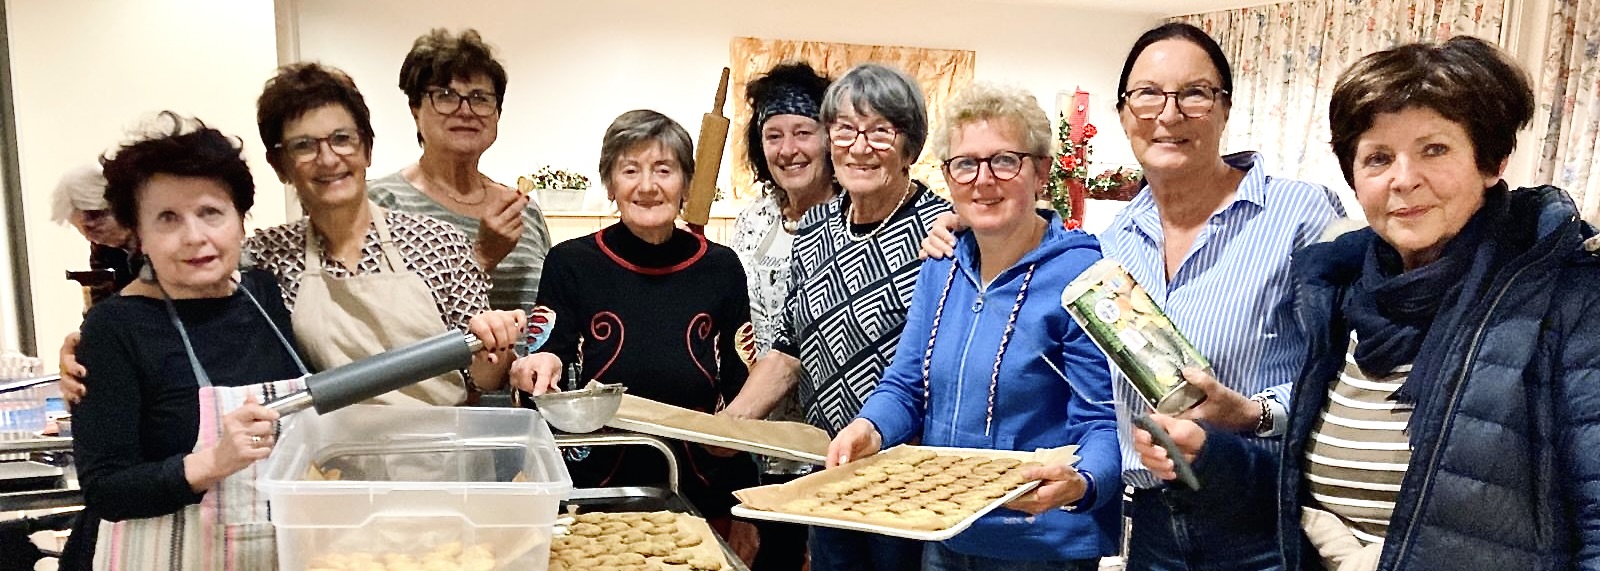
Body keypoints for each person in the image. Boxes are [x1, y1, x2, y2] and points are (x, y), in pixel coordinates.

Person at [1135, 36, 1600, 571]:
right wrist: (1212, 457)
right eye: (1378, 157)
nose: (1404, 179)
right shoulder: (1341, 295)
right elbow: (1308, 497)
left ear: (1490, 161)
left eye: (1434, 149)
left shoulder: (1568, 299)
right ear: (1354, 178)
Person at [921, 23, 1345, 570]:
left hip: (1259, 520)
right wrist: (973, 223)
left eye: (1193, 93)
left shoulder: (1302, 216)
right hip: (1149, 524)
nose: (1168, 114)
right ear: (1124, 114)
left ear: (1224, 107)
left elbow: (1343, 372)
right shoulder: (1111, 242)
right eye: (1147, 95)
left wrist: (1252, 412)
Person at [57, 63, 525, 408]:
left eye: (342, 139)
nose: (328, 159)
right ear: (280, 165)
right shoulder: (261, 258)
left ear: (365, 148)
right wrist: (90, 344)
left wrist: (497, 350)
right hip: (329, 477)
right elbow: (176, 290)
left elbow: (483, 379)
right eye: (304, 145)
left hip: (442, 462)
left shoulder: (438, 242)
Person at [829, 82, 1121, 571]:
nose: (983, 180)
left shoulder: (1085, 277)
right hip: (947, 533)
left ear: (1040, 171)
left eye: (1004, 160)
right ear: (948, 177)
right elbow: (906, 387)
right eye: (965, 164)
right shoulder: (940, 267)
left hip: (1041, 544)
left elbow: (1105, 421)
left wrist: (1084, 482)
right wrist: (870, 428)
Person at [721, 63, 953, 571]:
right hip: (827, 469)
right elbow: (787, 347)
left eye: (881, 131)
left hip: (907, 480)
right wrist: (729, 426)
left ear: (910, 147)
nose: (860, 146)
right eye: (845, 129)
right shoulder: (818, 227)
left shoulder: (943, 232)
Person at [509, 110, 759, 544]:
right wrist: (537, 366)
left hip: (702, 486)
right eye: (630, 170)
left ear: (685, 182)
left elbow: (741, 389)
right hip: (597, 488)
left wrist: (744, 503)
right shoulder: (572, 263)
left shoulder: (720, 267)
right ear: (610, 183)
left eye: (664, 170)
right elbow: (549, 352)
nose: (647, 186)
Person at [69, 112, 305, 569]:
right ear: (139, 235)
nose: (194, 237)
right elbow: (106, 489)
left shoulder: (265, 298)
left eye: (210, 213)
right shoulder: (113, 329)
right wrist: (213, 462)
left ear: (240, 219)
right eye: (168, 219)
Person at [729, 61, 836, 571]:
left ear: (831, 137)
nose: (788, 149)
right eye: (774, 135)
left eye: (802, 132)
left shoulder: (854, 217)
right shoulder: (753, 221)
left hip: (833, 440)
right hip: (759, 434)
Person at [368, 28, 552, 312]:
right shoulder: (380, 203)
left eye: (480, 98)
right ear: (415, 110)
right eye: (445, 95)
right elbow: (381, 322)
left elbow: (549, 313)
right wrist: (481, 257)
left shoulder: (523, 210)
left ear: (497, 114)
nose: (465, 110)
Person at [50, 164, 140, 304]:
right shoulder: (102, 250)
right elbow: (102, 302)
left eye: (91, 228)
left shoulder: (156, 240)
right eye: (80, 230)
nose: (89, 238)